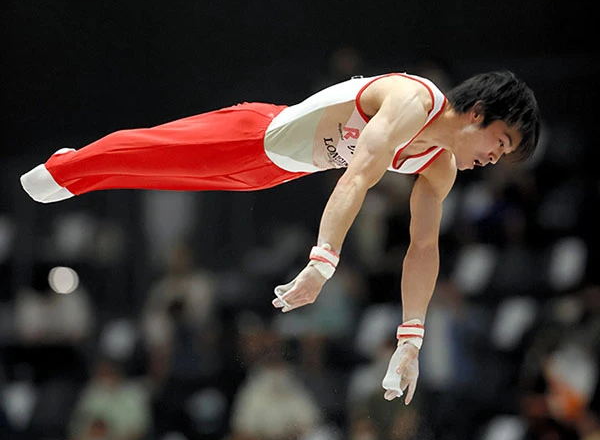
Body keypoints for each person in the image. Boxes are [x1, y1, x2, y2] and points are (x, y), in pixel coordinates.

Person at [21, 70, 540, 404]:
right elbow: (357, 175)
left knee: (153, 173)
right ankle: (69, 166)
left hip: (271, 172)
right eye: (501, 142)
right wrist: (322, 261)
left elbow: (423, 248)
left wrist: (411, 338)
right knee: (150, 153)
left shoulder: (440, 166)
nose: (495, 158)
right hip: (254, 133)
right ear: (477, 113)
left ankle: (79, 172)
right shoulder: (412, 99)